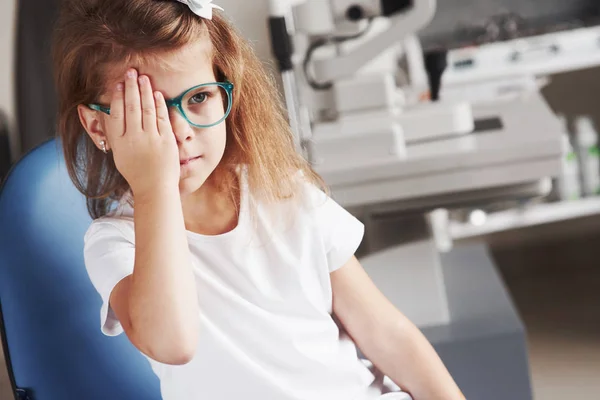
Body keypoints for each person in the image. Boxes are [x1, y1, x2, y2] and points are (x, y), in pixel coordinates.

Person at [52, 0, 465, 399]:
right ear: (97, 125)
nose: (179, 132)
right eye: (150, 112)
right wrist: (154, 185)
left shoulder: (281, 191)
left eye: (198, 98)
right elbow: (173, 342)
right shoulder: (115, 243)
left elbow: (386, 332)